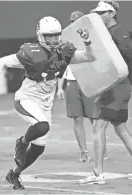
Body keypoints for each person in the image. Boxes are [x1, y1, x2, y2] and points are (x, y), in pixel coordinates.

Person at [0, 16, 96, 190]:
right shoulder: (31, 53)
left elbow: (90, 57)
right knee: (42, 126)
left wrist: (87, 41)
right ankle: (21, 142)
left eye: (55, 35)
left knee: (39, 148)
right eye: (48, 36)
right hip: (26, 98)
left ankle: (14, 174)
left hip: (45, 104)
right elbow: (2, 62)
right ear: (40, 35)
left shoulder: (64, 52)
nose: (52, 40)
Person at [79, 0, 132, 185]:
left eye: (102, 13)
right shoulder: (104, 32)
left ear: (111, 14)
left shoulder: (117, 31)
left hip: (116, 86)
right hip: (116, 86)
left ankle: (97, 173)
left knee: (97, 128)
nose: (99, 16)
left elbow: (128, 54)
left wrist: (108, 46)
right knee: (121, 129)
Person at [57, 11, 109, 163]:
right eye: (71, 20)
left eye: (76, 20)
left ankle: (102, 149)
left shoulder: (92, 36)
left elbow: (97, 59)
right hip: (71, 83)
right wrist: (60, 87)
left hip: (88, 81)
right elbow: (62, 65)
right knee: (77, 119)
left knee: (95, 119)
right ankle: (84, 151)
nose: (73, 23)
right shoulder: (64, 39)